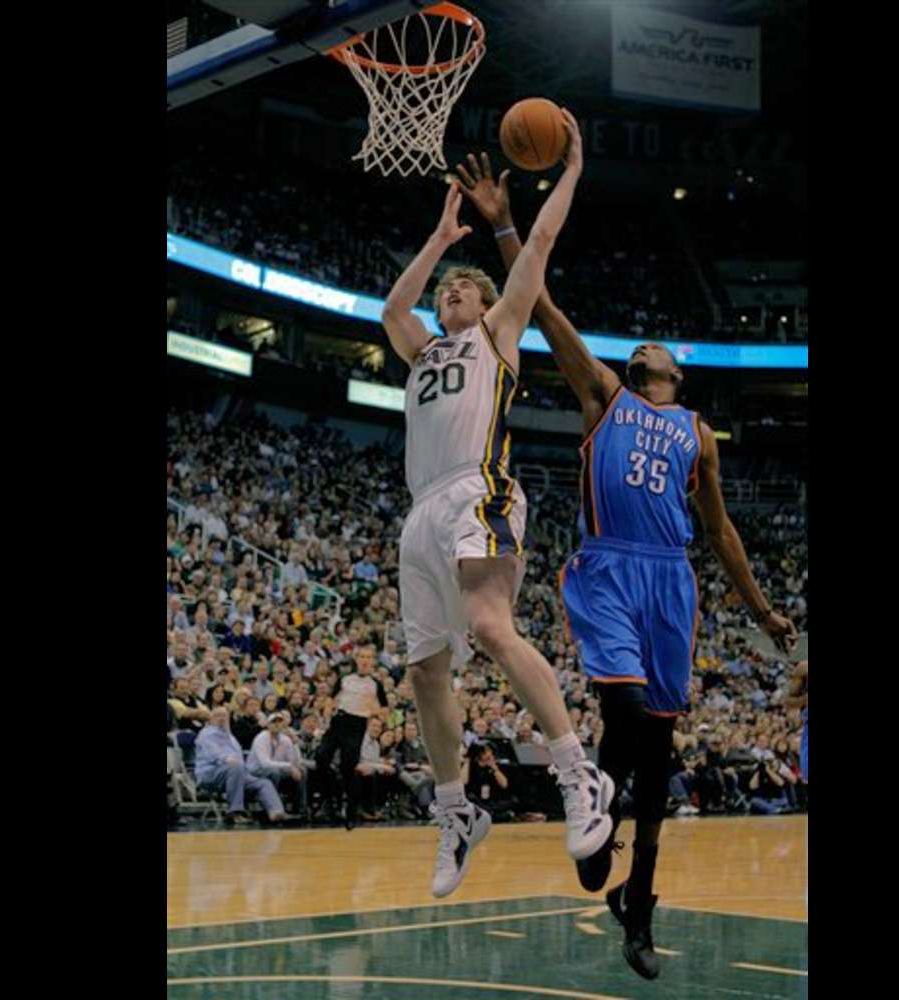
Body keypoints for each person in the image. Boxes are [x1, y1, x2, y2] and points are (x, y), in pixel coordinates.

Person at [456, 149, 799, 980]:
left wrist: (759, 612)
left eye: (658, 344)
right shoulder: (604, 394)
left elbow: (719, 535)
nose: (647, 341)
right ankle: (603, 830)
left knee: (655, 752)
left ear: (674, 374)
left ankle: (633, 902)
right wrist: (504, 222)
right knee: (630, 715)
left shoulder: (699, 436)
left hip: (672, 577)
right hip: (609, 568)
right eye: (641, 342)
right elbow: (543, 310)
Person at [380, 112, 612, 900]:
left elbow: (537, 251)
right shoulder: (422, 348)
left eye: (465, 288)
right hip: (420, 513)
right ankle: (455, 813)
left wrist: (571, 170)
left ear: (484, 306)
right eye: (448, 290)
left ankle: (579, 773)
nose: (452, 294)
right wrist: (441, 242)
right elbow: (390, 311)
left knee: (488, 626)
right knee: (425, 670)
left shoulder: (498, 335)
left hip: (480, 489)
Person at [312, 644, 387, 829]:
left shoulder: (375, 684)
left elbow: (384, 711)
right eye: (361, 656)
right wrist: (327, 716)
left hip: (357, 725)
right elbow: (331, 699)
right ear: (356, 659)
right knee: (321, 756)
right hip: (339, 721)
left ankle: (351, 811)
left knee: (349, 769)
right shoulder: (345, 679)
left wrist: (374, 709)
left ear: (372, 662)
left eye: (368, 657)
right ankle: (327, 798)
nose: (364, 660)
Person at [194, 706, 285, 825]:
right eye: (218, 715)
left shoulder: (231, 737)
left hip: (236, 771)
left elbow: (240, 756)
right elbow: (212, 751)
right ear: (210, 719)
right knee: (236, 767)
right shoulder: (206, 734)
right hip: (211, 772)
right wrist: (226, 758)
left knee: (263, 782)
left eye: (224, 715)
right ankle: (234, 812)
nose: (222, 718)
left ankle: (275, 812)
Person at [248, 712, 308, 818]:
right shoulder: (261, 738)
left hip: (277, 769)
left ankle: (300, 810)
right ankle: (272, 808)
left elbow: (295, 762)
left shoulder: (285, 740)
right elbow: (265, 763)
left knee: (302, 770)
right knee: (273, 772)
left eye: (279, 722)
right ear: (268, 725)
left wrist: (295, 744)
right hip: (256, 771)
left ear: (283, 725)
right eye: (273, 722)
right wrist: (289, 767)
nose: (276, 724)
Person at [396, 721, 436, 817]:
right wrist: (419, 766)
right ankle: (425, 808)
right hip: (408, 773)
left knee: (428, 777)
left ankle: (408, 805)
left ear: (417, 731)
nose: (411, 732)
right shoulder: (401, 745)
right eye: (408, 730)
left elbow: (428, 760)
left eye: (413, 730)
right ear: (404, 731)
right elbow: (401, 763)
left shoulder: (422, 745)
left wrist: (425, 766)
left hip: (423, 772)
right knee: (425, 779)